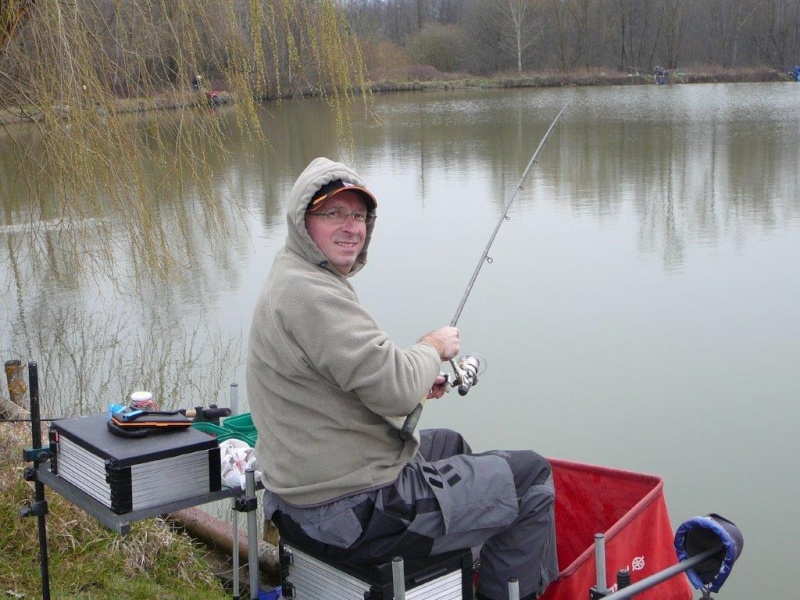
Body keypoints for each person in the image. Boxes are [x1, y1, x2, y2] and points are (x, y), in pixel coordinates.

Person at [247, 157, 558, 600]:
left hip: (305, 494)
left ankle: (451, 576)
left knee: (448, 444)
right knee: (530, 477)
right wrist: (432, 348)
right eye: (333, 213)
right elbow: (392, 381)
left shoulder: (294, 274)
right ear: (304, 220)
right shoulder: (311, 294)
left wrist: (416, 378)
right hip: (347, 509)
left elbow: (359, 377)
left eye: (358, 215)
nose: (350, 226)